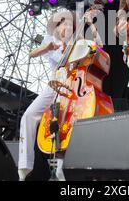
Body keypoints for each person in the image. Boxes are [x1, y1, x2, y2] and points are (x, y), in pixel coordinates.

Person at [18, 9, 102, 181]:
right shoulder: (51, 40)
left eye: (69, 23)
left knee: (66, 127)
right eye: (63, 23)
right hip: (54, 86)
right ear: (58, 26)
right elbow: (32, 53)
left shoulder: (78, 41)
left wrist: (91, 24)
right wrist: (46, 47)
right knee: (29, 115)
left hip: (73, 88)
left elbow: (99, 46)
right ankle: (25, 167)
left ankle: (61, 172)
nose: (66, 25)